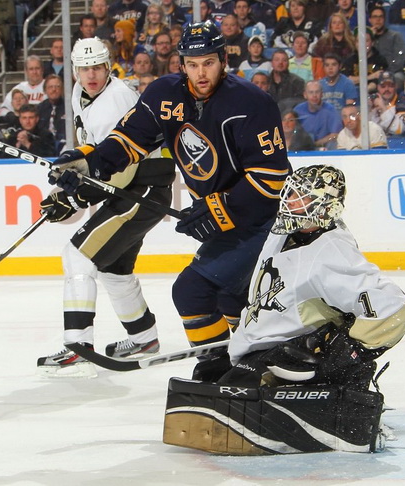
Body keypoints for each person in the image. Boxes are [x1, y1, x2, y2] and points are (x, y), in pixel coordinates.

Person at [48, 21, 291, 380]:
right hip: (223, 222)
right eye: (192, 64)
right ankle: (255, 367)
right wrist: (89, 163)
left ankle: (217, 372)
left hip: (262, 221)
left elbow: (271, 177)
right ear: (181, 64)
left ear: (223, 60)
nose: (200, 72)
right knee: (231, 300)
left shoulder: (252, 103)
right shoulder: (165, 94)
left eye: (208, 62)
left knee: (194, 291)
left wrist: (218, 207)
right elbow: (129, 141)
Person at [163, 165, 405, 455]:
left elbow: (392, 306)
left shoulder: (332, 252)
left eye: (300, 197)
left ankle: (337, 396)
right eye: (290, 193)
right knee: (211, 380)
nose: (289, 201)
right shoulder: (284, 231)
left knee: (225, 395)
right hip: (260, 351)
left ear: (324, 206)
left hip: (288, 358)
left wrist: (351, 351)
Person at [37, 37, 175, 378]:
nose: (91, 75)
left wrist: (76, 196)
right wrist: (73, 175)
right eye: (84, 69)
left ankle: (77, 346)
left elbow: (123, 168)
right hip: (130, 190)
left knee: (77, 255)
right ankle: (143, 337)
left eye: (97, 67)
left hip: (141, 189)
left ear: (108, 65)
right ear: (75, 71)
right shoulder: (79, 94)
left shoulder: (116, 99)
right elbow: (95, 152)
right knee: (113, 267)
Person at [294, 79, 342, 148]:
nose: (314, 95)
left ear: (322, 94)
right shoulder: (297, 110)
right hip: (302, 147)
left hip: (324, 147)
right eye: (311, 92)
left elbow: (335, 135)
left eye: (317, 92)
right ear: (305, 95)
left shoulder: (331, 110)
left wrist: (315, 144)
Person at [368, 5, 405, 91]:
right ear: (370, 20)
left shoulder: (395, 36)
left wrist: (385, 74)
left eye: (380, 16)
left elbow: (400, 60)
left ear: (384, 19)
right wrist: (371, 37)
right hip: (371, 73)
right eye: (375, 17)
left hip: (393, 72)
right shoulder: (365, 38)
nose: (378, 19)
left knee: (398, 78)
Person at [342, 26, 387, 95]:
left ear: (372, 43)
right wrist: (371, 76)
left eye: (366, 41)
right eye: (358, 41)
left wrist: (364, 90)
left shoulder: (380, 60)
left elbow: (377, 81)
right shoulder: (349, 60)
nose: (362, 44)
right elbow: (347, 80)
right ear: (355, 44)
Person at [369, 71, 405, 136]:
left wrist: (383, 109)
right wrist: (368, 110)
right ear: (378, 87)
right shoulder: (372, 103)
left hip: (398, 144)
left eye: (390, 86)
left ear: (396, 87)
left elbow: (399, 130)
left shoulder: (404, 103)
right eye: (383, 86)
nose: (387, 89)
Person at [36, 74, 66, 155]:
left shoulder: (69, 107)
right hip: (43, 146)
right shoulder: (39, 108)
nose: (54, 89)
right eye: (50, 87)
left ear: (62, 89)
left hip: (64, 144)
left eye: (57, 86)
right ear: (45, 90)